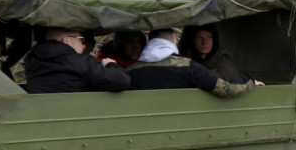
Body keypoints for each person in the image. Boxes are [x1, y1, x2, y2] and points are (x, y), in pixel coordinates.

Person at [128, 28, 262, 98]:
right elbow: (225, 88)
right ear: (172, 42)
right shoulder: (186, 66)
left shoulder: (130, 71)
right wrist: (249, 80)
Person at [24, 27, 130, 94]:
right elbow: (120, 81)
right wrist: (111, 65)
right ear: (67, 40)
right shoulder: (82, 62)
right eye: (80, 39)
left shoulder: (32, 60)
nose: (83, 45)